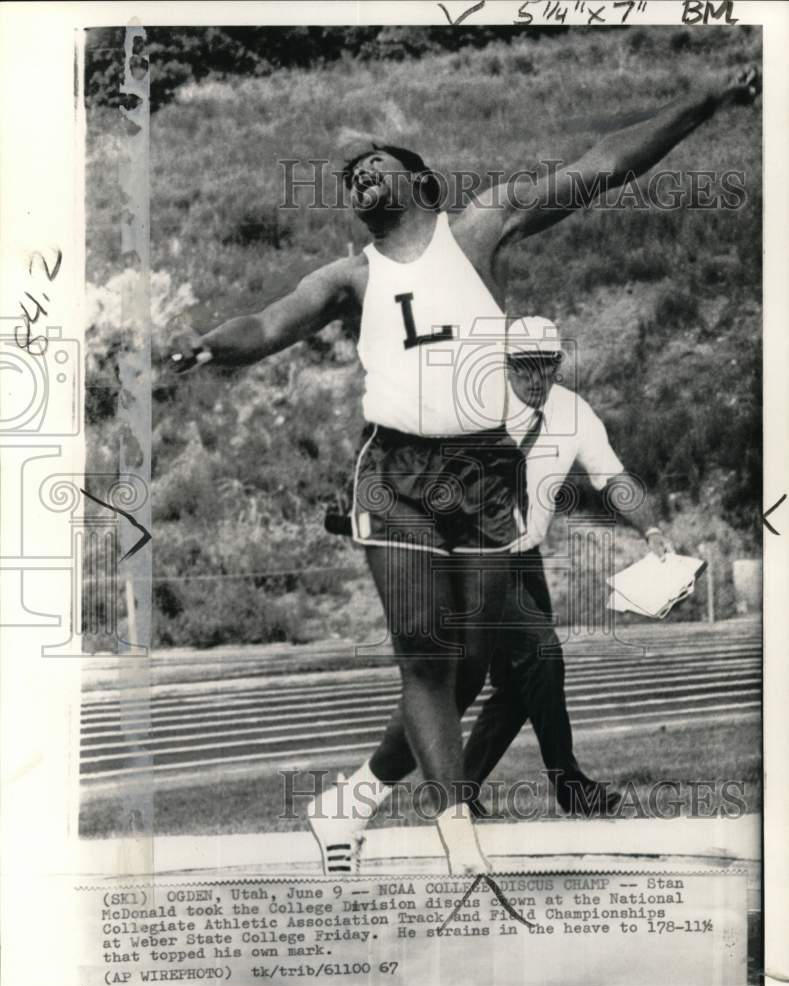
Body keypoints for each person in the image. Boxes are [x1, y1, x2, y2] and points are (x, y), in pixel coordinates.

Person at [169, 66, 760, 874]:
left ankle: (351, 802)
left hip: (484, 474)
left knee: (477, 660)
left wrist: (700, 101)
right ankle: (458, 831)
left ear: (420, 183)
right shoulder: (350, 278)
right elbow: (265, 325)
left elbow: (602, 166)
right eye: (349, 178)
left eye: (375, 165)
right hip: (395, 474)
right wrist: (210, 344)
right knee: (424, 654)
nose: (359, 178)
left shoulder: (480, 228)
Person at [462, 317, 674, 819]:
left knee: (521, 682)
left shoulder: (573, 412)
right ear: (506, 365)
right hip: (475, 557)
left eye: (545, 367)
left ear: (558, 364)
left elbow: (613, 477)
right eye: (524, 368)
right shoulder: (475, 410)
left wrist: (652, 531)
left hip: (524, 557)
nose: (535, 380)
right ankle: (569, 784)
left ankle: (454, 791)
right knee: (541, 654)